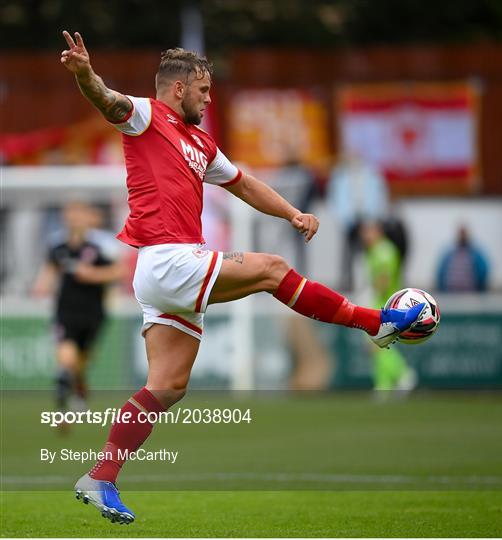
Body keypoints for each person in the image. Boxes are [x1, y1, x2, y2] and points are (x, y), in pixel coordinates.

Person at [60, 30, 425, 524]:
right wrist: (85, 74)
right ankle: (375, 324)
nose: (210, 99)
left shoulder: (200, 143)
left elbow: (245, 184)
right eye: (204, 91)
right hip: (167, 258)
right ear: (177, 89)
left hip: (165, 270)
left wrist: (292, 214)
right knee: (272, 269)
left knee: (167, 386)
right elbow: (105, 99)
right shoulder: (147, 115)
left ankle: (101, 477)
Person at [33, 200, 125, 416]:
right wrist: (41, 287)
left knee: (80, 362)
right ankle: (62, 399)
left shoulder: (102, 246)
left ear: (88, 216)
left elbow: (119, 271)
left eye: (78, 212)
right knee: (67, 356)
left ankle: (78, 392)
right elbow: (48, 273)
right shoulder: (58, 247)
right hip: (65, 311)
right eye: (69, 212)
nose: (73, 217)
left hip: (93, 312)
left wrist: (93, 275)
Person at [361, 221, 417, 395]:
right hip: (383, 303)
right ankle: (384, 387)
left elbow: (383, 279)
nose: (365, 236)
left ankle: (403, 373)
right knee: (379, 346)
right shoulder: (378, 250)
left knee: (376, 344)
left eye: (368, 231)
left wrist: (370, 293)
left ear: (377, 231)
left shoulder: (383, 251)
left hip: (385, 304)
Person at [327, 154, 389, 291]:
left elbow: (379, 196)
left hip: (368, 218)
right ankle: (348, 282)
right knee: (348, 253)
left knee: (370, 253)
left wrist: (375, 217)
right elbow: (335, 199)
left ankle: (368, 282)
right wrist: (343, 218)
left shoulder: (371, 175)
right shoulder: (340, 176)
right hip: (349, 220)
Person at [436, 225, 489, 292]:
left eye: (464, 234)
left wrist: (480, 289)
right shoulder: (449, 254)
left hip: (470, 293)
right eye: (461, 234)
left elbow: (483, 272)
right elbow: (441, 273)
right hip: (450, 293)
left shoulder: (476, 254)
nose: (462, 236)